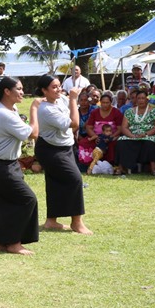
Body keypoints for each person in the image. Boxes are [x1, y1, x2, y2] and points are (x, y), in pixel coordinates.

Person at [0, 77, 40, 255]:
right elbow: (33, 134)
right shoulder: (3, 114)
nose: (22, 92)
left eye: (22, 88)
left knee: (6, 201)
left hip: (5, 163)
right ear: (6, 91)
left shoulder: (10, 110)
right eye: (18, 89)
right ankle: (13, 243)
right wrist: (34, 109)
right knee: (27, 199)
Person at [34, 76, 91, 234]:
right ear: (44, 90)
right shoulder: (46, 109)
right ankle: (77, 222)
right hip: (50, 149)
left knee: (54, 182)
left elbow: (72, 105)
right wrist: (73, 99)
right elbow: (74, 124)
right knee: (75, 179)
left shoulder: (60, 100)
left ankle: (51, 221)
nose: (58, 89)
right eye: (54, 87)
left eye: (59, 86)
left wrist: (74, 96)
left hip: (65, 146)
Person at [115, 88, 155, 175]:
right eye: (138, 98)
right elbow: (124, 127)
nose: (141, 100)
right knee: (121, 141)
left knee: (149, 142)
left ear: (147, 99)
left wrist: (145, 134)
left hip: (150, 135)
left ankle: (154, 168)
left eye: (143, 98)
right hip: (133, 135)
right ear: (135, 100)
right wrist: (132, 136)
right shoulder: (129, 111)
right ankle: (121, 168)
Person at [79, 92, 123, 169]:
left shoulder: (116, 112)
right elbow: (89, 127)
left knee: (113, 144)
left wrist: (110, 137)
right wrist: (95, 137)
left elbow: (120, 128)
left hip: (111, 137)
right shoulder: (95, 112)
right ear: (100, 102)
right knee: (83, 142)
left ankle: (110, 164)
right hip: (96, 137)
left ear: (111, 102)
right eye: (103, 102)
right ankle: (87, 165)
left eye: (107, 103)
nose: (105, 105)